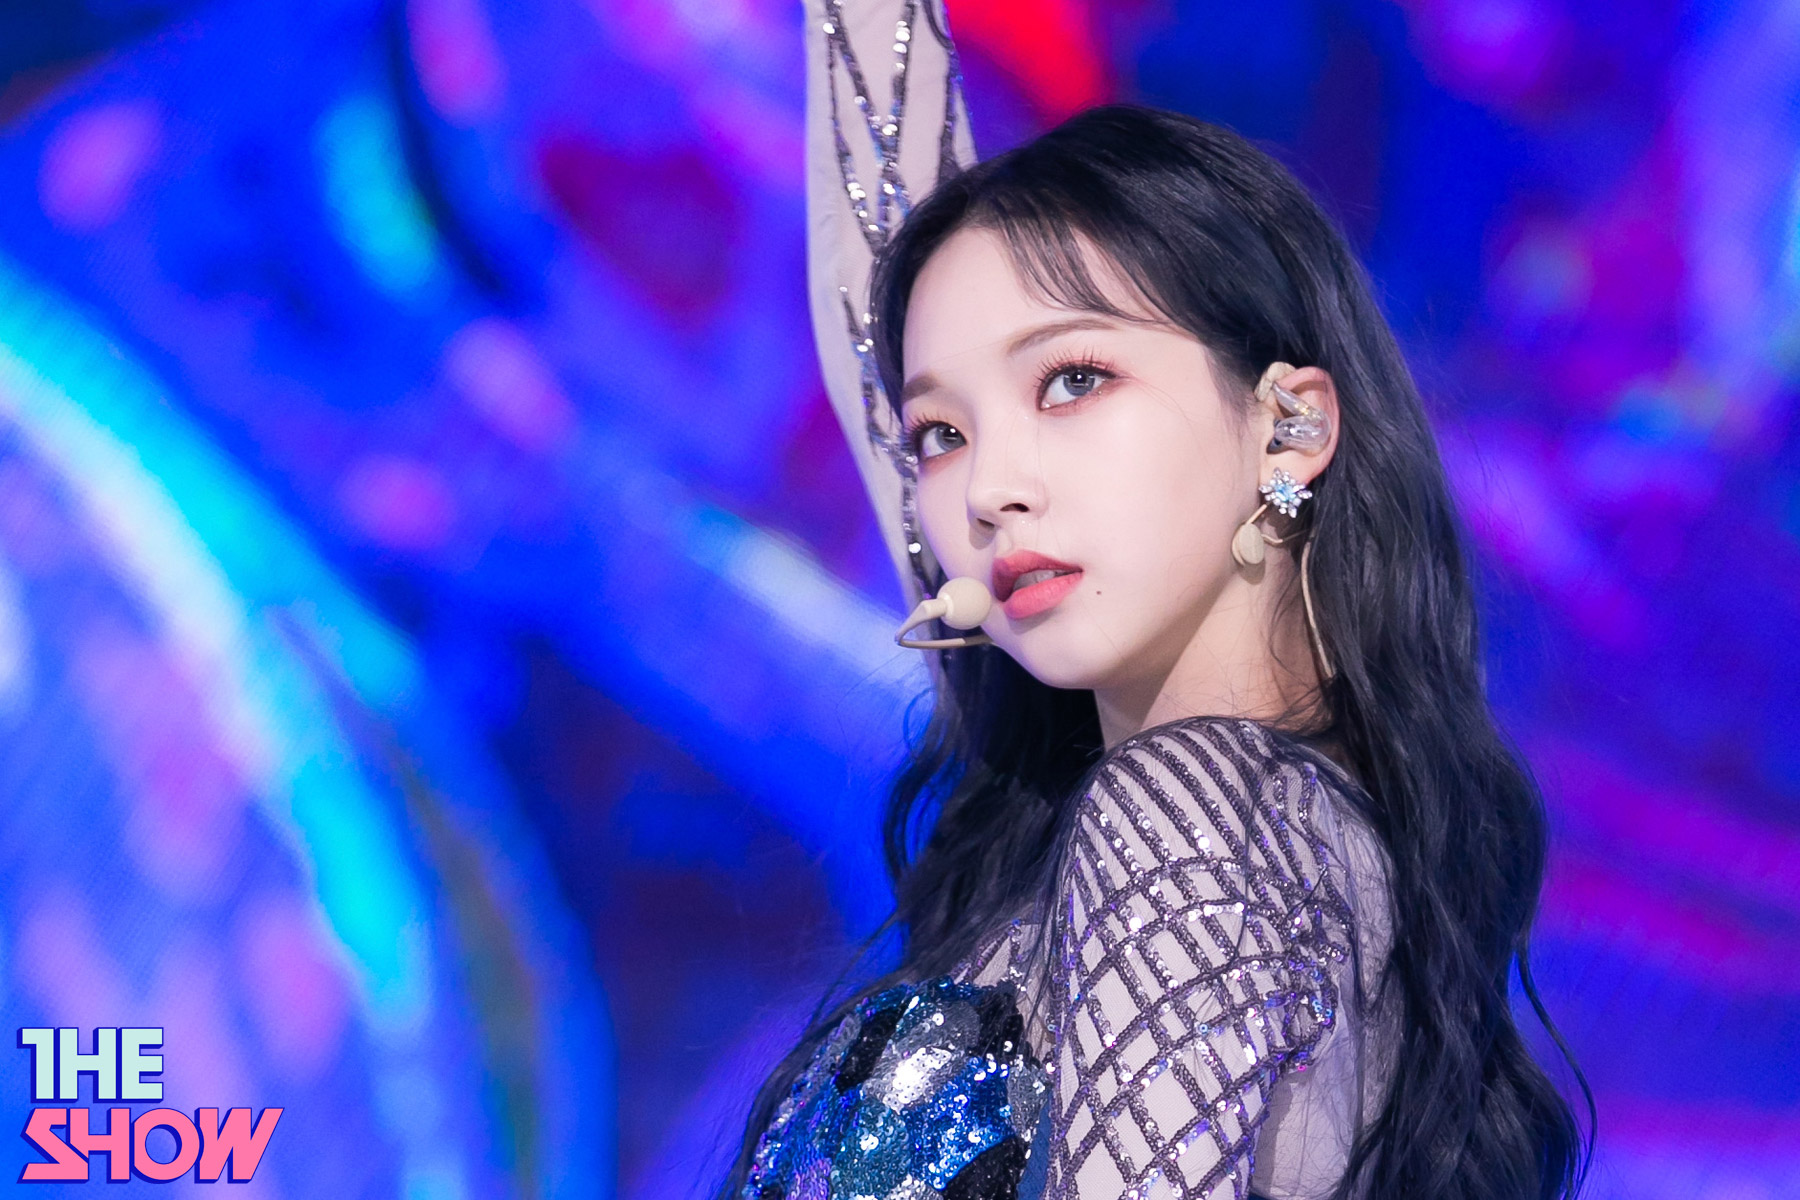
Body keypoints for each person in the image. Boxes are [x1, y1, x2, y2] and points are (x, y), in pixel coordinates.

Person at [723, 2, 1588, 1197]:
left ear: (1288, 428)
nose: (990, 487)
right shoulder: (1281, 819)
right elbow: (880, 251)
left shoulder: (1187, 807)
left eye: (1074, 380)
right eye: (940, 434)